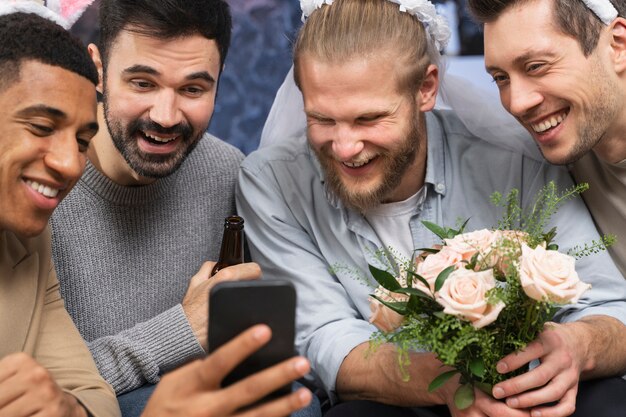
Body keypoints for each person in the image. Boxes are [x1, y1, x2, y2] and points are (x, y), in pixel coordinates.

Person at [236, 0, 626, 416]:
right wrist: (447, 386)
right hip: (392, 403)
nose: (345, 148)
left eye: (369, 118)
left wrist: (576, 346)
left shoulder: (517, 159)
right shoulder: (271, 181)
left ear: (426, 88)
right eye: (322, 120)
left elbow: (608, 306)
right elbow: (324, 336)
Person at [48, 0, 320, 416]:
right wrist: (184, 327)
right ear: (97, 70)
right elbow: (38, 388)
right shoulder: (42, 182)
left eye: (193, 89)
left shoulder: (230, 172)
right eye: (142, 83)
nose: (166, 116)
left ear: (219, 81)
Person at [0, 11, 119, 417]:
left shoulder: (28, 240)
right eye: (41, 126)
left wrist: (65, 409)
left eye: (83, 140)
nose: (71, 165)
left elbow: (96, 398)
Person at [465, 0, 626, 280]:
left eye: (536, 66)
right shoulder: (540, 167)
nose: (516, 104)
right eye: (501, 78)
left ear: (617, 45)